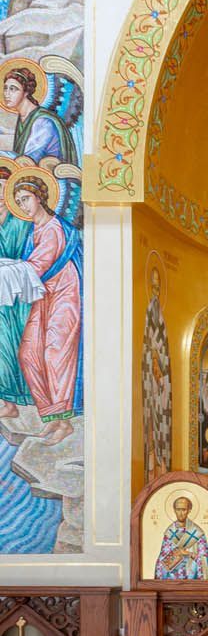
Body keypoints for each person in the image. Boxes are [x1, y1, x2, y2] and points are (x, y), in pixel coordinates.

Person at [10, 173, 81, 445]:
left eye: (26, 198)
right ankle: (51, 417)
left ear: (39, 197)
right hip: (44, 295)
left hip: (65, 293)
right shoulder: (34, 230)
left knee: (55, 352)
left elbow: (37, 265)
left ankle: (64, 422)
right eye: (19, 201)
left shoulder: (53, 228)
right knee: (28, 353)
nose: (24, 205)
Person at [0, 161, 34, 418]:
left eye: (3, 190)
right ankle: (6, 402)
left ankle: (20, 398)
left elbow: (30, 256)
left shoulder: (22, 221)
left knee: (16, 344)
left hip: (17, 297)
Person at [2, 65, 78, 165]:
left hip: (52, 177)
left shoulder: (42, 122)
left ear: (26, 92)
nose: (6, 94)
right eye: (5, 88)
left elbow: (28, 159)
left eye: (13, 89)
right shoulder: (24, 118)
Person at [141, 264, 171, 480]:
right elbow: (148, 347)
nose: (155, 291)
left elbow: (164, 355)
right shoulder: (149, 314)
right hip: (149, 386)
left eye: (158, 287)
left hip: (160, 388)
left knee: (160, 429)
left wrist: (160, 368)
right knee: (150, 430)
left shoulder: (160, 319)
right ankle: (151, 472)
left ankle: (161, 471)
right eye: (152, 286)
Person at [154, 495, 208, 580]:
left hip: (192, 579)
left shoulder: (197, 532)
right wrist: (177, 553)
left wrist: (189, 554)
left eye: (184, 510)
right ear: (174, 510)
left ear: (189, 510)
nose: (181, 513)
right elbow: (162, 561)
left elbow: (205, 561)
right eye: (178, 509)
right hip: (172, 581)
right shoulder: (170, 532)